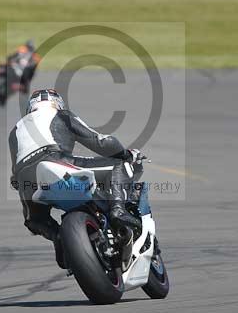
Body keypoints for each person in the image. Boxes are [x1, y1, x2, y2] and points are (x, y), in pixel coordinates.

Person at [8, 88, 143, 244]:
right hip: (54, 159)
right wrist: (125, 154)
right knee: (119, 165)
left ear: (30, 108)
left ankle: (58, 239)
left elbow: (14, 177)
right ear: (57, 104)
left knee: (35, 220)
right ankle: (118, 211)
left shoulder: (15, 131)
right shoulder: (61, 115)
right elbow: (101, 142)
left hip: (26, 178)